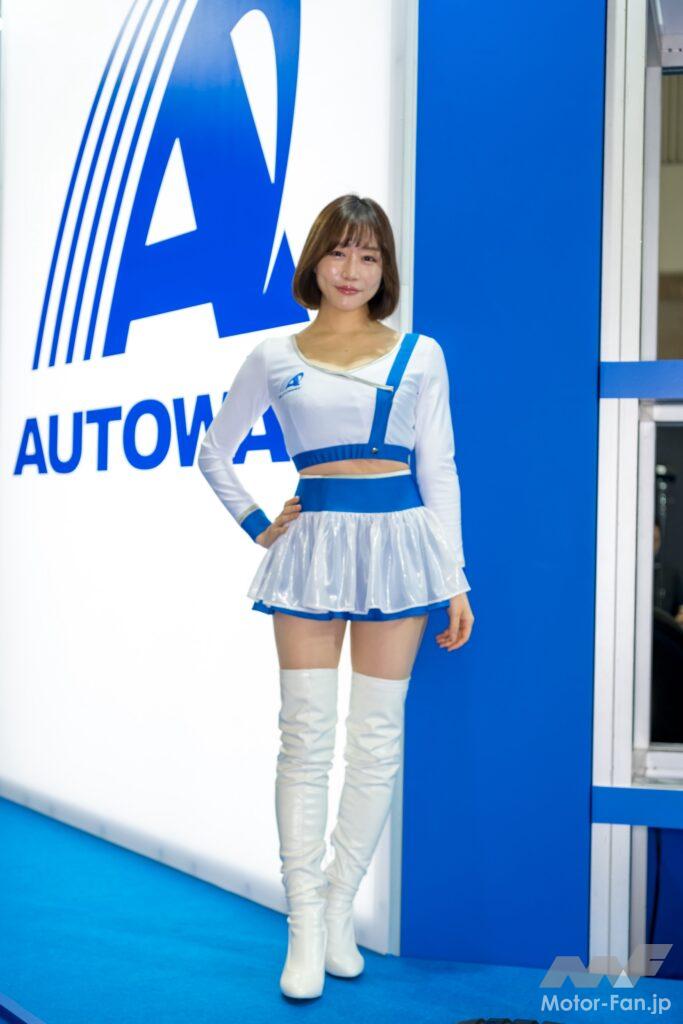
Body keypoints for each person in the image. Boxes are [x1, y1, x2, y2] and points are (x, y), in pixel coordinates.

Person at [198, 194, 475, 999]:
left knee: (377, 738)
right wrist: (258, 523)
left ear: (385, 270)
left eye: (369, 256)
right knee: (305, 737)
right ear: (314, 260)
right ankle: (304, 926)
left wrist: (454, 578)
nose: (352, 271)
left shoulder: (420, 354)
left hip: (400, 550)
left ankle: (339, 905)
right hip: (311, 550)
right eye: (339, 252)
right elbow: (214, 451)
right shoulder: (272, 355)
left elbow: (439, 468)